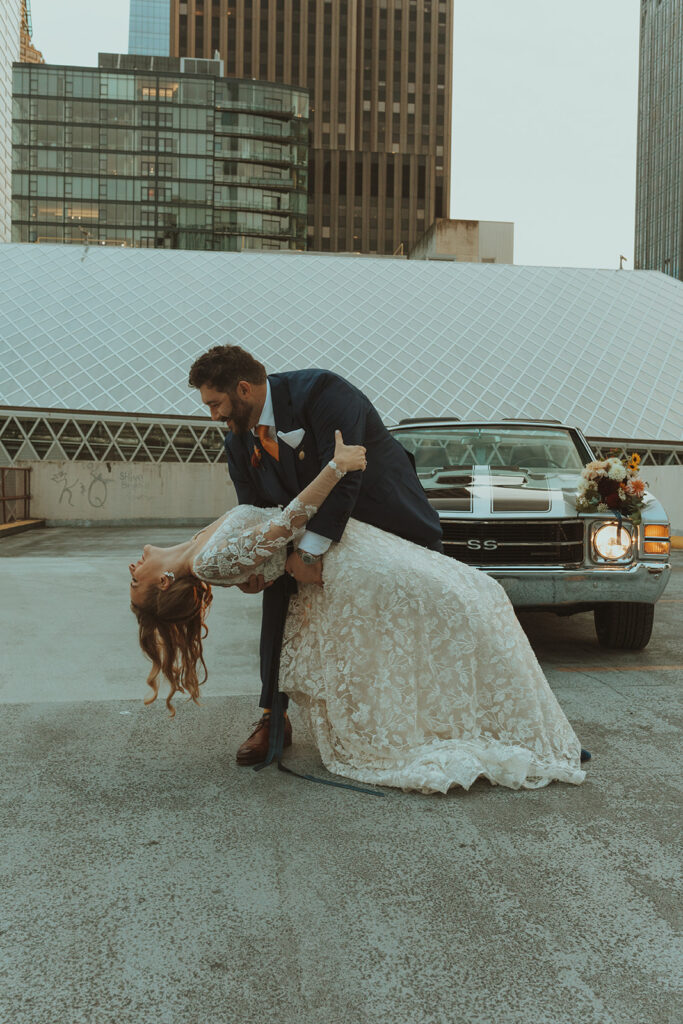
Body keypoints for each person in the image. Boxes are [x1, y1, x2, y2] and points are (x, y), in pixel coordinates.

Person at [130, 431, 586, 793]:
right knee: (464, 602)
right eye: (136, 582)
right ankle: (519, 731)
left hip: (351, 543)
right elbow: (289, 521)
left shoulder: (197, 551)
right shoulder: (206, 563)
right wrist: (336, 466)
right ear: (165, 583)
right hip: (345, 563)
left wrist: (261, 575)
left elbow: (261, 555)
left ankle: (525, 725)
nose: (132, 570)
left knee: (472, 596)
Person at [186, 345, 443, 767]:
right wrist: (256, 569)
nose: (214, 415)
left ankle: (426, 715)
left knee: (404, 622)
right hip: (303, 527)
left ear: (244, 389)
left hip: (383, 519)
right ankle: (273, 717)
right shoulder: (237, 440)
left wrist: (309, 554)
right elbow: (253, 512)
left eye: (215, 403)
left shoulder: (323, 391)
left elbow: (347, 474)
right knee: (279, 599)